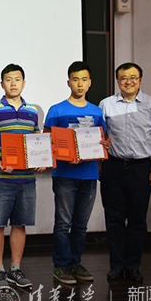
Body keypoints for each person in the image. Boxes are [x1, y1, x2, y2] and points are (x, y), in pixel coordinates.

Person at [0, 63, 44, 289]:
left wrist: (40, 161)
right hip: (0, 179)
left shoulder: (32, 110)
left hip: (26, 180)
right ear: (2, 83)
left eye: (17, 79)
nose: (13, 83)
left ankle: (15, 269)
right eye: (8, 79)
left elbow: (36, 143)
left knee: (20, 224)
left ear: (24, 83)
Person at [99, 62, 151, 283]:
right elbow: (100, 135)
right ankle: (117, 266)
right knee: (114, 219)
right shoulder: (106, 104)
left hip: (141, 168)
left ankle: (133, 266)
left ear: (140, 80)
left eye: (133, 77)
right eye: (123, 78)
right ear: (117, 81)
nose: (128, 81)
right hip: (113, 167)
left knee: (138, 220)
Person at [44, 61, 108, 285]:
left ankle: (75, 263)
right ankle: (61, 265)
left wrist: (104, 147)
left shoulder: (97, 112)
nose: (80, 84)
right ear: (68, 82)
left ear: (90, 83)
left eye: (84, 79)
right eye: (75, 79)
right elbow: (47, 140)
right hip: (64, 175)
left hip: (89, 175)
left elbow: (102, 140)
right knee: (63, 223)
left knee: (81, 225)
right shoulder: (56, 110)